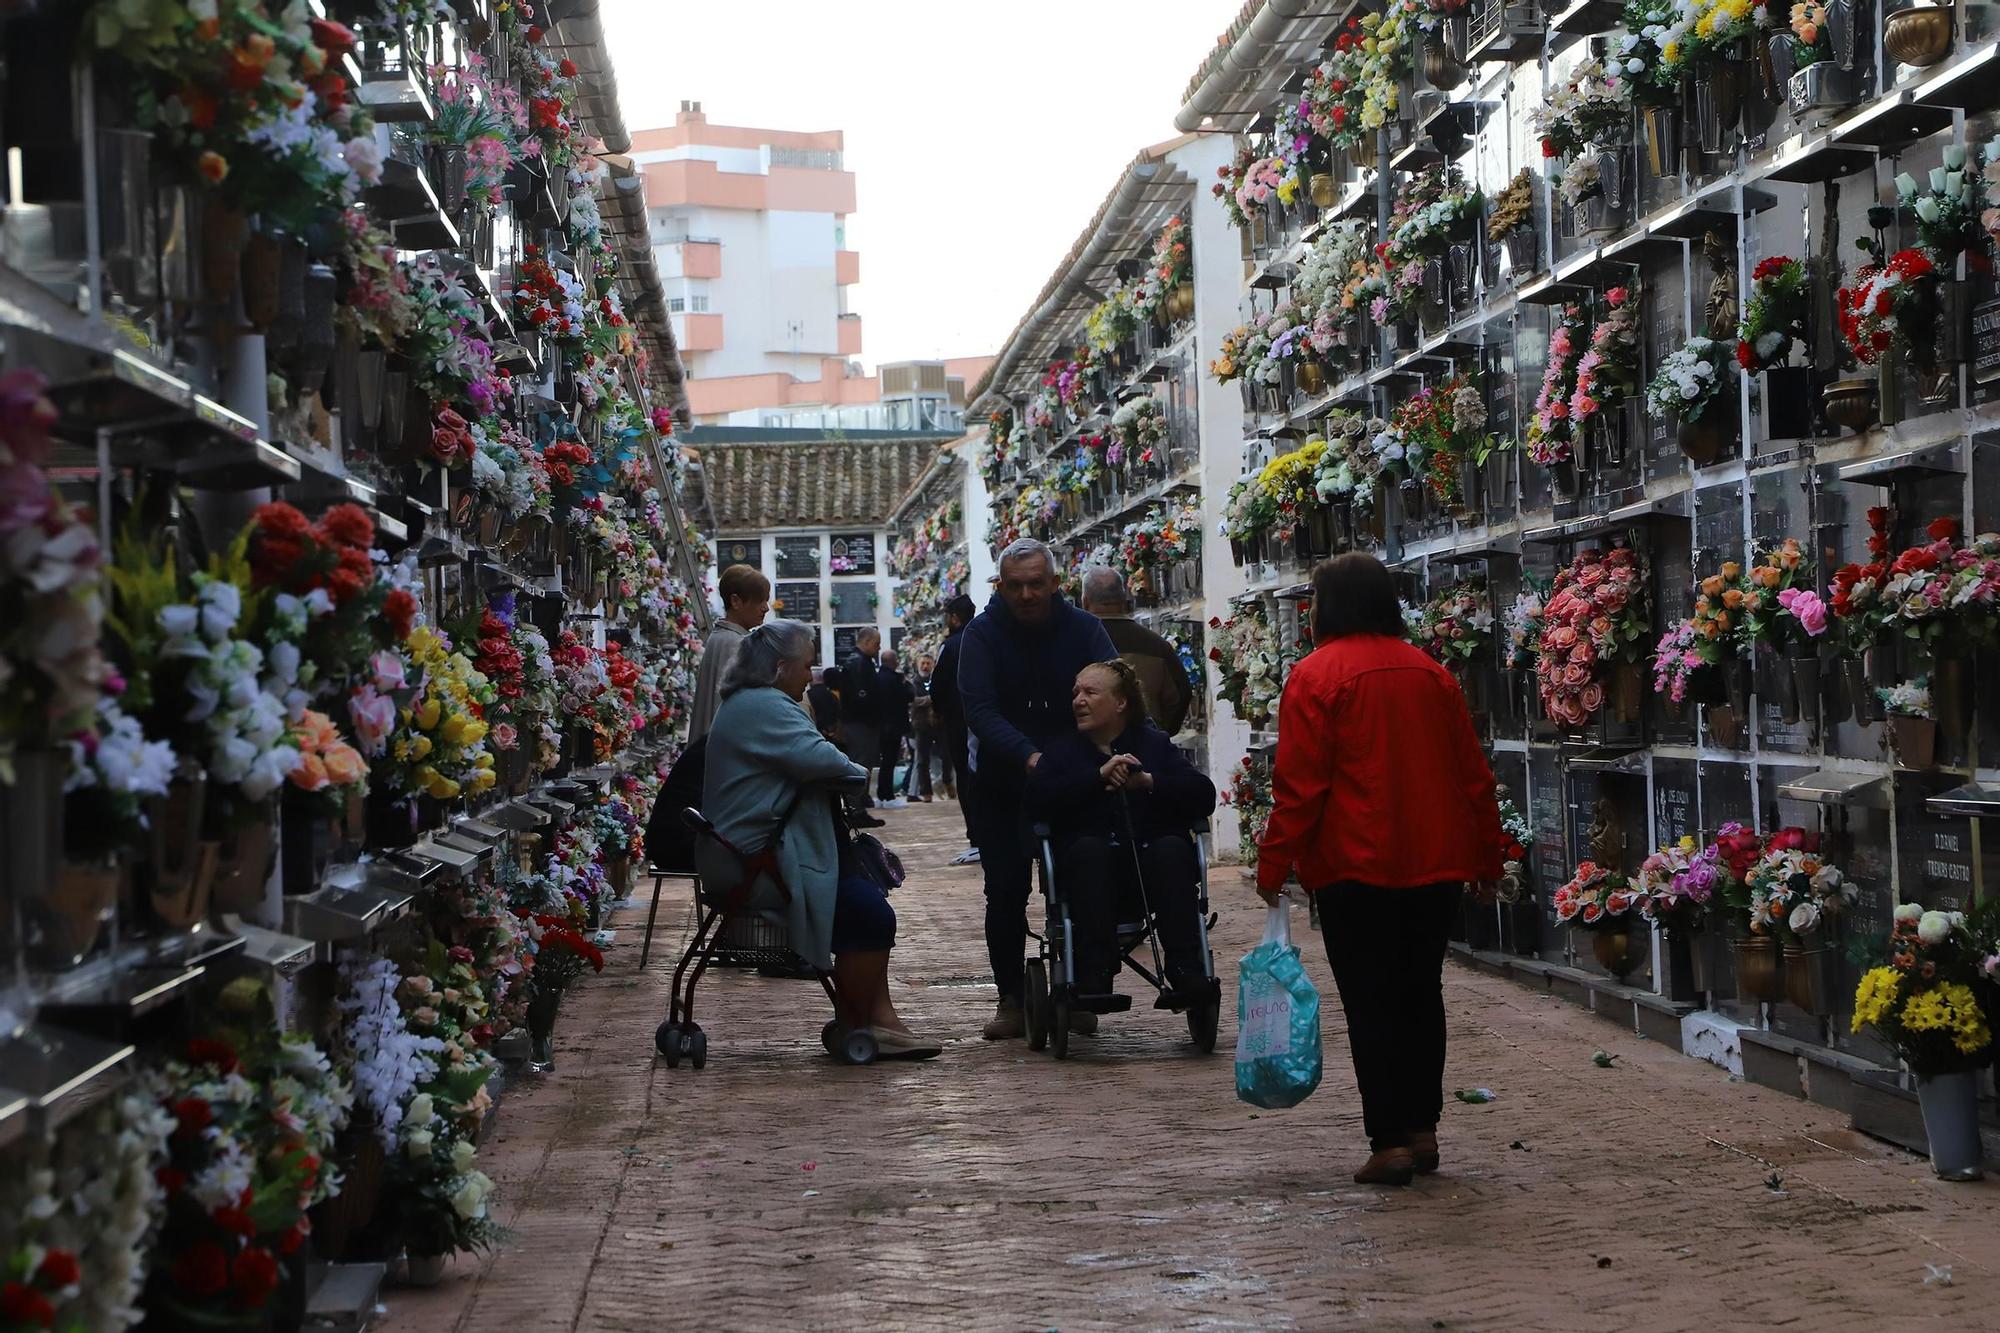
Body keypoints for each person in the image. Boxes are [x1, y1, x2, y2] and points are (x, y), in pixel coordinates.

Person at [1257, 553, 1501, 1187]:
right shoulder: (1431, 674)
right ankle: (1424, 1129)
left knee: (1370, 1000)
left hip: (1353, 864)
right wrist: (1488, 854)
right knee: (1421, 992)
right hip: (1434, 860)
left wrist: (1274, 860)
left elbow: (1301, 786)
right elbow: (1472, 775)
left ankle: (1389, 1138)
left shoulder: (1315, 676)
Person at [697, 620, 938, 1058]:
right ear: (779, 667)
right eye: (806, 667)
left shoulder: (749, 703)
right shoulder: (764, 706)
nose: (811, 677)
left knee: (863, 897)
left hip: (758, 851)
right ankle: (861, 1021)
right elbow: (833, 763)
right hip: (757, 863)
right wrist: (851, 771)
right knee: (866, 911)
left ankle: (874, 1020)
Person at [959, 538, 1116, 1040]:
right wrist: (1027, 754)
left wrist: (1083, 755)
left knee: (1082, 874)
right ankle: (1009, 997)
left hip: (1075, 779)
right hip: (1004, 782)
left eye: (1035, 584)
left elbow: (1116, 690)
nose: (1026, 594)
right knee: (1004, 890)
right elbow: (979, 709)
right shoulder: (981, 636)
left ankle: (1084, 986)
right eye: (1014, 586)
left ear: (1054, 583)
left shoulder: (1086, 630)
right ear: (999, 587)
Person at [1025, 660, 1217, 1003]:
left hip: (1149, 870)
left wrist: (1148, 782)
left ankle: (1185, 969)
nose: (1078, 700)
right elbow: (1037, 802)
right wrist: (1097, 778)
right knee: (1089, 851)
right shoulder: (1062, 752)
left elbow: (1202, 794)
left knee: (1172, 848)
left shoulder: (1154, 745)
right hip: (1088, 875)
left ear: (1121, 703)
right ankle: (1094, 970)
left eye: (1090, 692)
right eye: (1076, 693)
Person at [1079, 567, 1191, 736]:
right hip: (1146, 749)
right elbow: (1181, 694)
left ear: (1085, 602)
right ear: (1124, 600)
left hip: (1085, 750)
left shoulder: (1075, 643)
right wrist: (1160, 733)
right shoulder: (1157, 646)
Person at [688, 564, 771, 743]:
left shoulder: (721, 637)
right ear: (736, 601)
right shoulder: (738, 644)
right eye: (760, 601)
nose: (766, 608)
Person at [931, 595, 979, 865]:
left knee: (964, 772)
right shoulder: (984, 637)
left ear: (954, 618)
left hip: (958, 719)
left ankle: (976, 837)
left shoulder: (949, 645)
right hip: (985, 717)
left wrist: (938, 709)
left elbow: (938, 682)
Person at [833, 628, 884, 812]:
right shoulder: (858, 664)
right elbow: (861, 696)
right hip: (860, 723)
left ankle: (859, 803)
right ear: (867, 641)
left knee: (864, 761)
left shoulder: (861, 662)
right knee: (861, 762)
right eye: (876, 643)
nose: (878, 648)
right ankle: (855, 807)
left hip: (860, 722)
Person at [906, 653, 948, 802]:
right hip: (921, 725)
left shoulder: (938, 680)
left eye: (928, 663)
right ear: (918, 665)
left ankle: (947, 782)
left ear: (933, 665)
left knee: (946, 755)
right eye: (923, 663)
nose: (925, 666)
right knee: (922, 760)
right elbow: (913, 700)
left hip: (939, 723)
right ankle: (926, 792)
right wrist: (932, 698)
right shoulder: (913, 682)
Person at [875, 650, 914, 809]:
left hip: (880, 726)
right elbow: (909, 696)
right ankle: (888, 796)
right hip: (894, 726)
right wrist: (905, 682)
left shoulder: (877, 678)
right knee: (890, 761)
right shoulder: (895, 679)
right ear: (893, 661)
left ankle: (881, 794)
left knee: (885, 761)